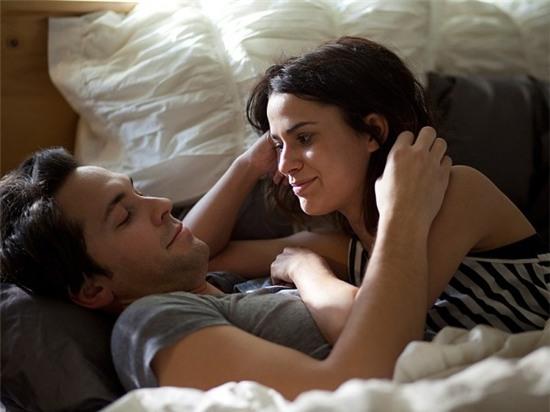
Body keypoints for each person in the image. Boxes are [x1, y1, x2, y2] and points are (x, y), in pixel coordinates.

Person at [0, 125, 450, 399]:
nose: (162, 204)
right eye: (124, 216)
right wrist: (400, 215)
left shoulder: (221, 286)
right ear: (93, 288)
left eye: (139, 191)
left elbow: (202, 240)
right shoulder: (150, 322)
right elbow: (349, 389)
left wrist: (250, 166)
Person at [237, 36, 550, 336]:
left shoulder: (460, 192)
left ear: (373, 131)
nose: (284, 165)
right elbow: (207, 258)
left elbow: (370, 332)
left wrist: (305, 269)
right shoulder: (348, 248)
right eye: (278, 145)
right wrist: (246, 165)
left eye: (304, 138)